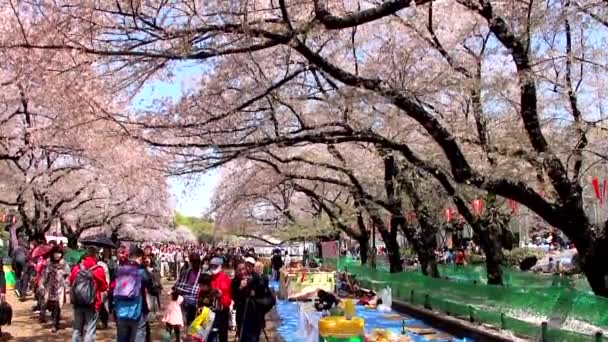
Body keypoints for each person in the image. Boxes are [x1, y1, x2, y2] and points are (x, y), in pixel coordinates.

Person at [114, 247, 155, 342]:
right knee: (139, 335)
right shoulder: (141, 271)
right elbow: (153, 288)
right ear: (139, 257)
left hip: (121, 310)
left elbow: (112, 289)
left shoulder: (119, 270)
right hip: (137, 311)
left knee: (122, 338)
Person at [69, 246, 108, 342]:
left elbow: (71, 281)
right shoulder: (98, 269)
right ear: (95, 255)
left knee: (77, 329)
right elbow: (103, 287)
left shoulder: (77, 268)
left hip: (78, 302)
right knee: (90, 330)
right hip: (93, 303)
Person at [238, 264, 275, 342]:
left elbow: (269, 300)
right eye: (256, 267)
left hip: (257, 312)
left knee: (254, 335)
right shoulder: (247, 278)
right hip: (246, 312)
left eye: (259, 267)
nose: (257, 269)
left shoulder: (263, 279)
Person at [39, 247, 70, 332]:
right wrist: (41, 284)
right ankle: (52, 318)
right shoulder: (48, 263)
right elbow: (44, 275)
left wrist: (67, 287)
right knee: (49, 305)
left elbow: (68, 276)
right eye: (55, 253)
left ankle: (55, 324)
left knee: (58, 306)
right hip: (50, 288)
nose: (57, 255)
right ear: (52, 254)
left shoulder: (64, 264)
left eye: (59, 253)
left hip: (60, 288)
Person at [173, 252, 203, 328]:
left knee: (197, 324)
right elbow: (180, 284)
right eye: (193, 262)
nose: (195, 264)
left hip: (197, 302)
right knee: (188, 322)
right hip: (186, 301)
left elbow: (202, 288)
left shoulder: (202, 273)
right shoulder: (187, 271)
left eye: (197, 262)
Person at [208, 257, 232, 342]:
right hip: (209, 311)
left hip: (222, 311)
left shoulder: (226, 279)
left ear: (220, 267)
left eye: (215, 266)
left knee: (222, 335)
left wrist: (220, 296)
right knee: (208, 334)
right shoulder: (209, 278)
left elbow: (229, 298)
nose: (213, 269)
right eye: (212, 266)